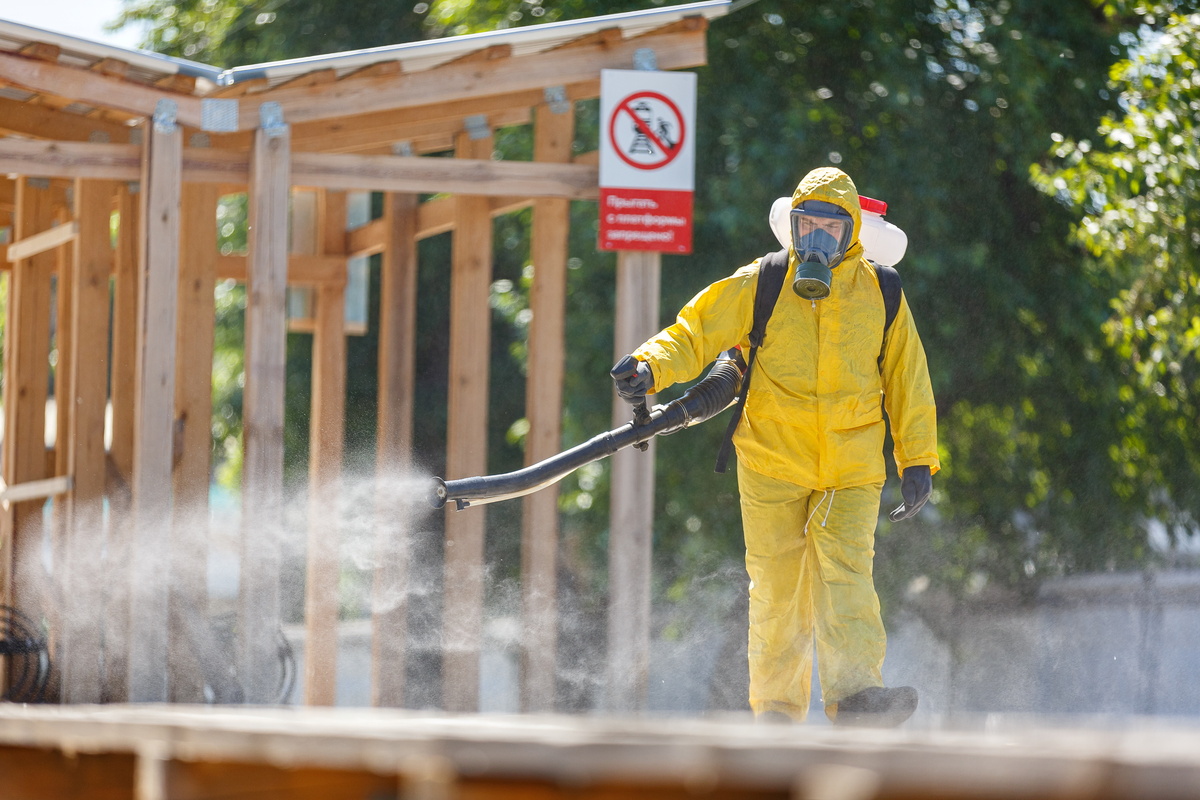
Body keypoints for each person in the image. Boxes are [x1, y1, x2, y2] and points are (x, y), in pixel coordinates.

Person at [610, 167, 939, 727]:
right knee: (777, 589)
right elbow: (695, 331)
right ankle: (778, 712)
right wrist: (648, 366)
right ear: (793, 225)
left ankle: (856, 699)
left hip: (851, 469)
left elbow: (909, 378)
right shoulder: (762, 280)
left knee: (846, 576)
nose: (817, 240)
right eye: (807, 226)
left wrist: (918, 459)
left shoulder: (882, 291)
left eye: (830, 229)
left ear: (852, 232)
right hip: (770, 463)